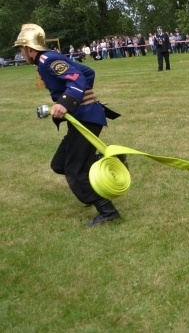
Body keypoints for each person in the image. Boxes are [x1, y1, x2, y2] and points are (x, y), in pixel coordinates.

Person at [15, 23, 122, 226]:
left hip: (88, 119)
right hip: (84, 117)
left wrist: (66, 102)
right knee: (59, 164)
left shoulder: (47, 60)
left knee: (74, 170)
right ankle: (107, 162)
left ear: (30, 48)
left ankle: (107, 211)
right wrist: (79, 99)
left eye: (21, 49)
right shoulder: (47, 60)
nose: (21, 54)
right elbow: (88, 72)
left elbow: (78, 77)